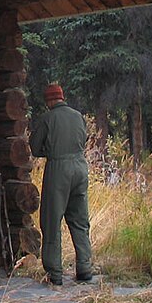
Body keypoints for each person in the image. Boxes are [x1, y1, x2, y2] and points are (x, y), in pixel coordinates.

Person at [30, 83, 93, 286]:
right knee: (79, 220)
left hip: (59, 169)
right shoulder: (77, 115)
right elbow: (84, 139)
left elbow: (35, 147)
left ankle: (54, 273)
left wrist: (51, 151)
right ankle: (84, 268)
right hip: (80, 167)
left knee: (51, 220)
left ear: (48, 100)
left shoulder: (48, 118)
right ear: (62, 97)